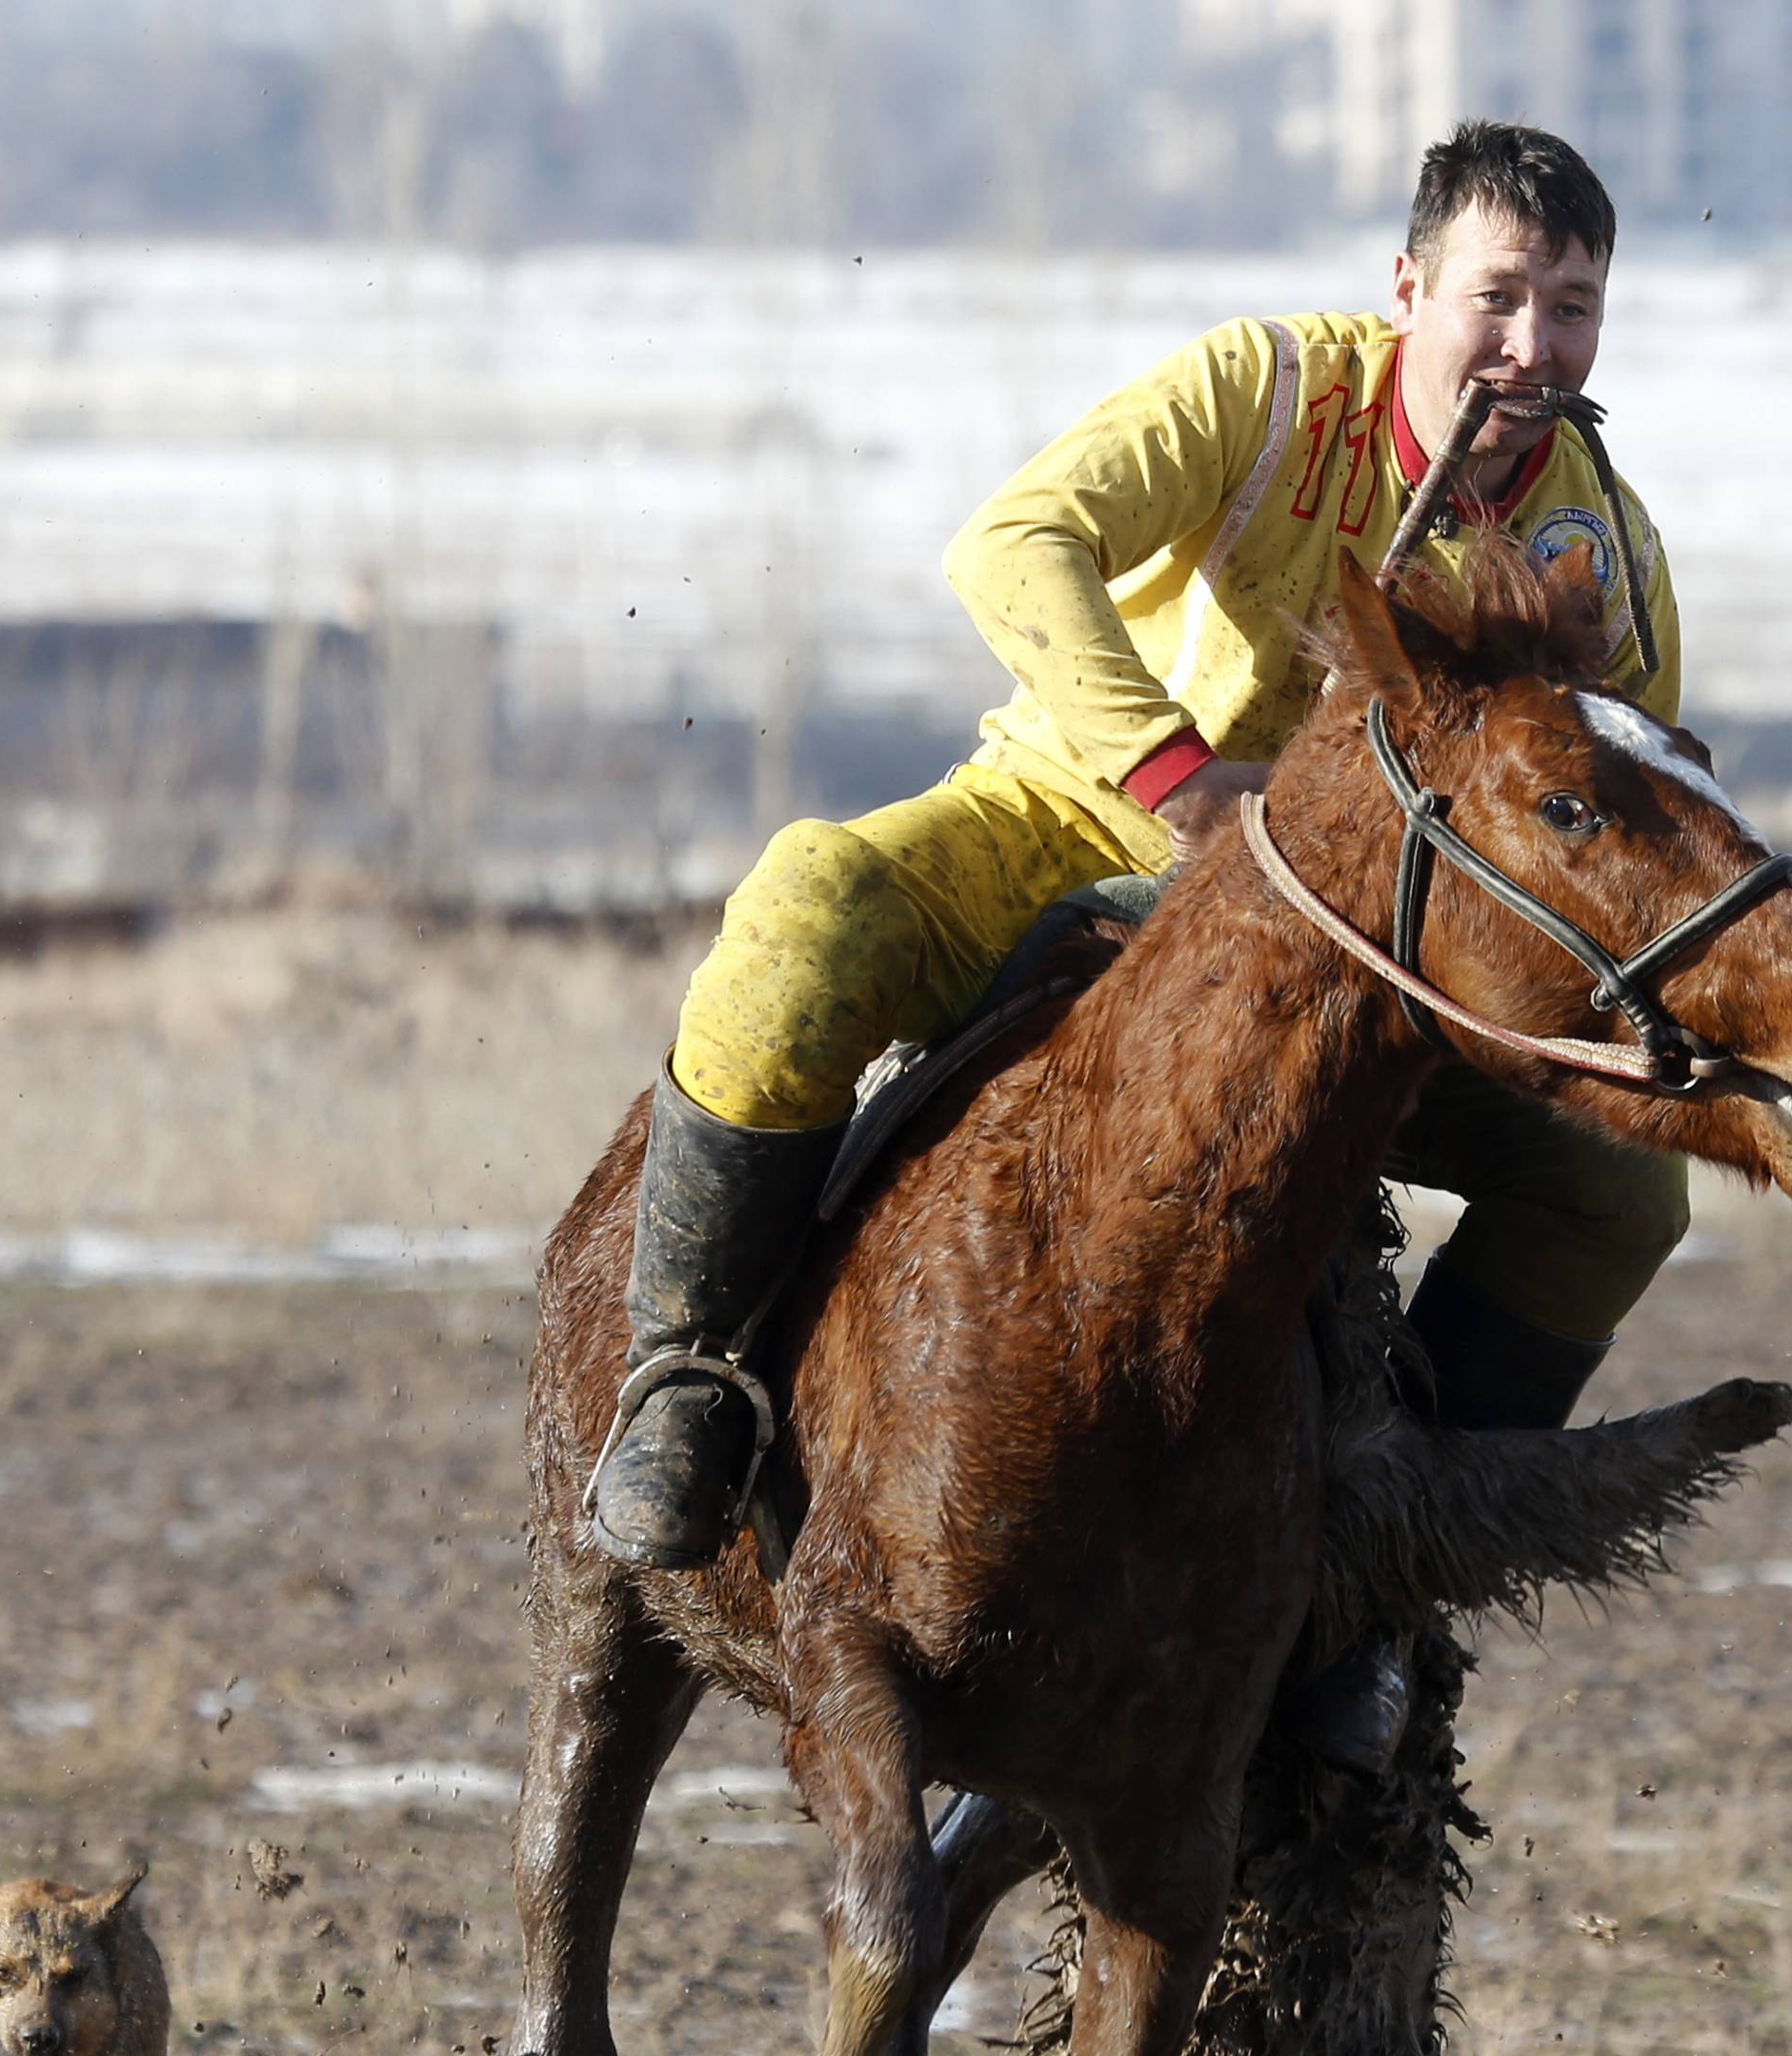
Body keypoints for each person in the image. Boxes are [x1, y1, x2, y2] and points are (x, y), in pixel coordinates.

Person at [591, 121, 1688, 1605]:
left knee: (1624, 1193)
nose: (1533, 345)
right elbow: (1014, 540)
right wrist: (1176, 779)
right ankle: (691, 1379)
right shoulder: (1269, 388)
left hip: (1368, 969)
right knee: (804, 916)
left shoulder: (1600, 549)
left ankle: (1391, 1549)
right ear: (1409, 288)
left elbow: (1624, 816)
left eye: (1572, 307)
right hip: (1077, 820)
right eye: (1498, 296)